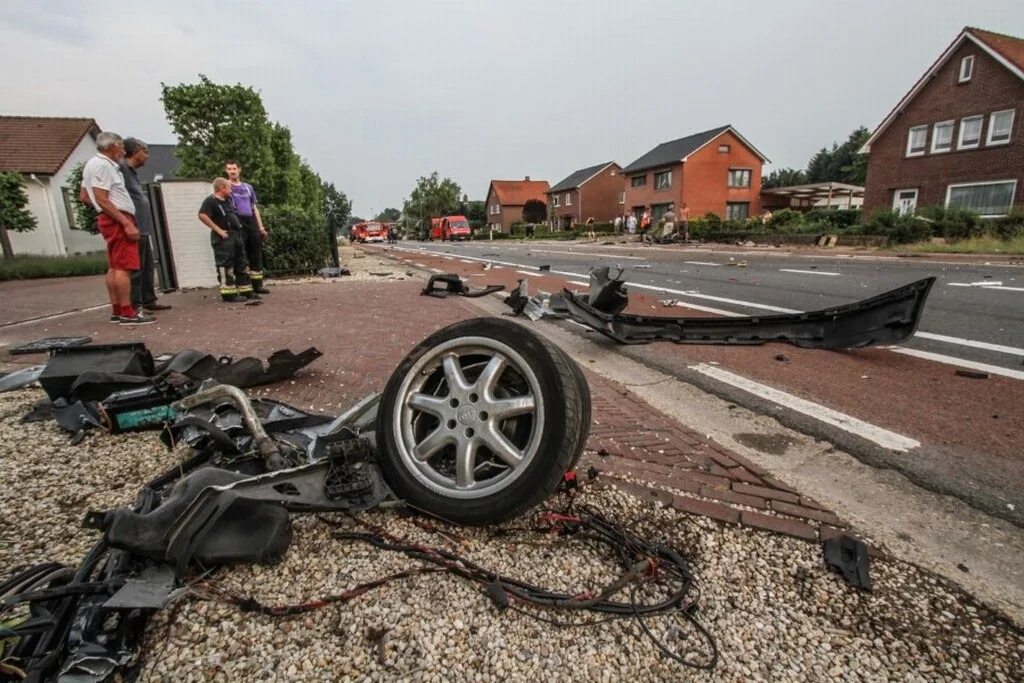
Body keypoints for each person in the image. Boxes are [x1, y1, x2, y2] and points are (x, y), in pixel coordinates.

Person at [79, 132, 154, 325]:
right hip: (118, 220)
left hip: (110, 219)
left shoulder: (92, 165)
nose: (123, 150)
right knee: (124, 268)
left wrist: (103, 210)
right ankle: (128, 312)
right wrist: (126, 221)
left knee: (114, 267)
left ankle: (118, 310)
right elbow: (102, 198)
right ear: (112, 147)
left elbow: (85, 197)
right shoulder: (104, 166)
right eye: (121, 146)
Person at [120, 138, 171, 314]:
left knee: (147, 266)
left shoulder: (132, 172)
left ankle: (148, 299)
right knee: (135, 268)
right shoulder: (121, 171)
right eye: (145, 151)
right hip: (133, 227)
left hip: (143, 227)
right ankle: (135, 305)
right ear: (135, 152)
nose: (148, 156)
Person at [198, 178, 255, 303]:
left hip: (236, 235)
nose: (231, 190)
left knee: (242, 263)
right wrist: (219, 230)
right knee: (225, 265)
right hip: (224, 238)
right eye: (229, 188)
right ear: (222, 188)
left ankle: (246, 291)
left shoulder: (228, 200)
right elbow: (202, 215)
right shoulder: (210, 201)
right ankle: (229, 294)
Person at [225, 161, 269, 294]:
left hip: (251, 222)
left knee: (256, 254)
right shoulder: (226, 187)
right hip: (237, 223)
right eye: (229, 169)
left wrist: (260, 227)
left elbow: (254, 207)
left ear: (239, 169)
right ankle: (244, 286)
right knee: (241, 255)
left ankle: (258, 285)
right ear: (226, 171)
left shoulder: (248, 187)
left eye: (234, 168)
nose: (232, 171)